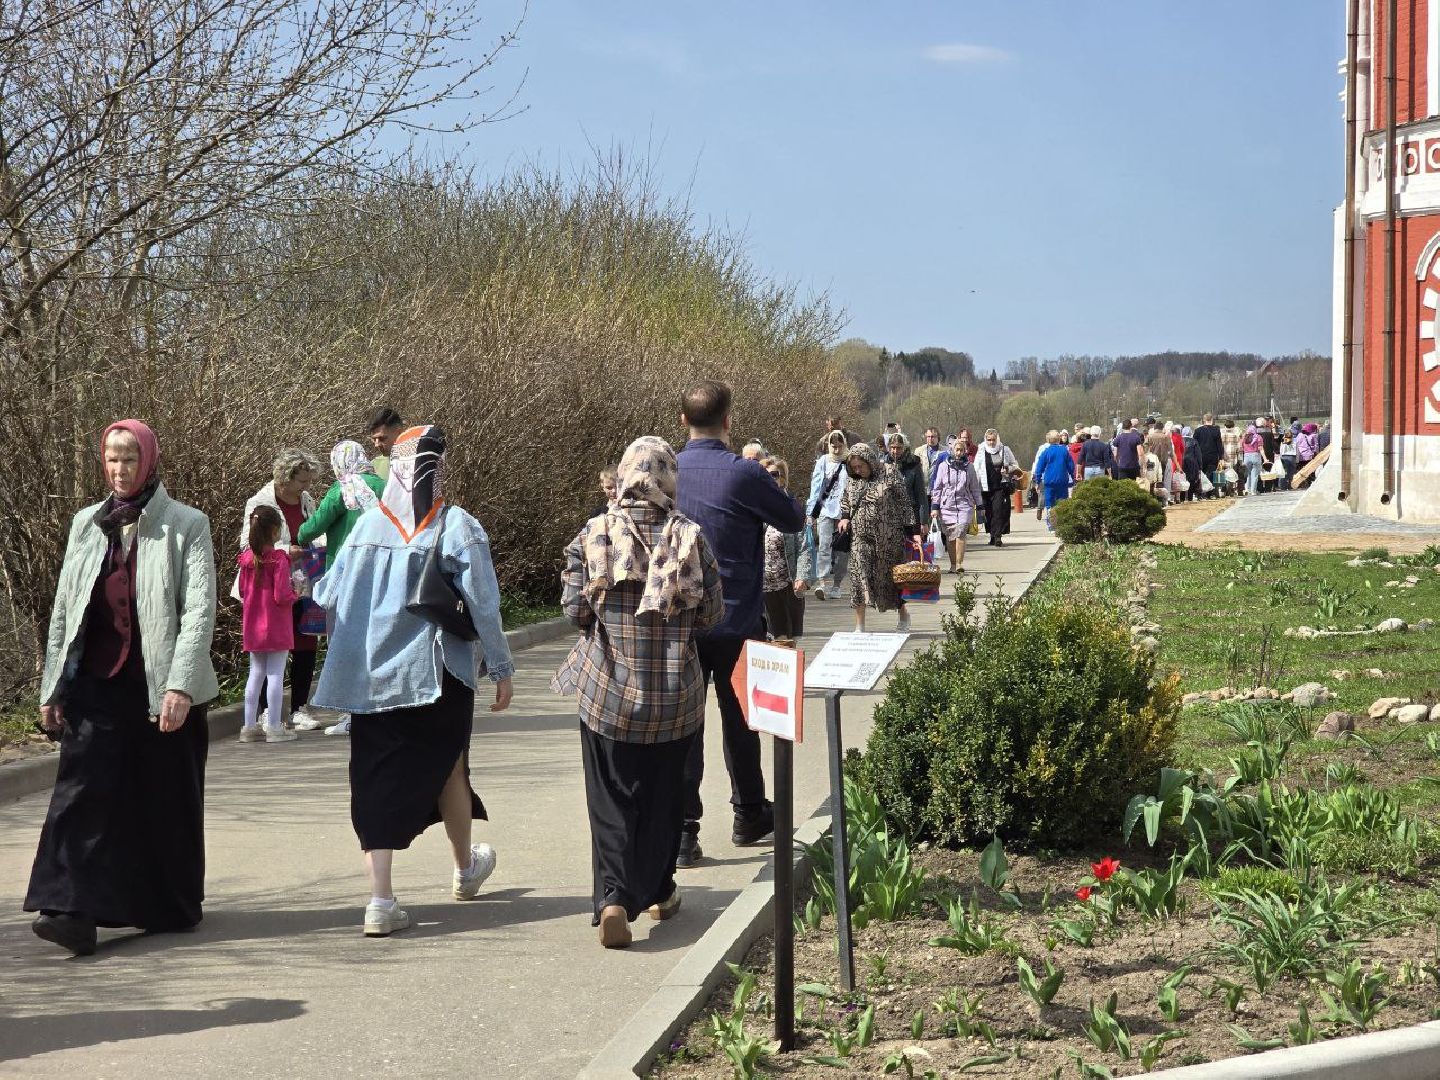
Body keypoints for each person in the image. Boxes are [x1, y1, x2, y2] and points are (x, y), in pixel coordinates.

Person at [312, 424, 515, 937]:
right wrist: (501, 668)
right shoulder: (455, 526)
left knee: (373, 781)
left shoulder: (363, 529)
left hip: (369, 679)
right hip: (436, 675)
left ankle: (380, 901)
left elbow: (327, 595)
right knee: (451, 768)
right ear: (436, 469)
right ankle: (465, 870)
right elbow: (485, 605)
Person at [26, 420, 218, 956]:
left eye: (129, 458)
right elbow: (65, 608)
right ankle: (68, 910)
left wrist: (180, 685)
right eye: (111, 458)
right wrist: (52, 687)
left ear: (150, 461)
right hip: (96, 682)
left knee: (164, 798)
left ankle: (168, 904)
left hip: (160, 685)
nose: (119, 469)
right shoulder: (86, 523)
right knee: (79, 795)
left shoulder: (186, 524)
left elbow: (199, 610)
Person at [552, 436, 723, 949]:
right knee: (664, 798)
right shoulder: (690, 536)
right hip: (675, 698)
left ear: (624, 475)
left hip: (608, 694)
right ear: (669, 479)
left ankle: (612, 898)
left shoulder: (594, 532)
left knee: (609, 799)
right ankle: (659, 890)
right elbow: (712, 615)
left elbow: (573, 611)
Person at [676, 381, 805, 867]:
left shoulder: (667, 469)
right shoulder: (744, 474)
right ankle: (749, 812)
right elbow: (792, 518)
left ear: (683, 420)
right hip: (736, 614)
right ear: (728, 421)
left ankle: (685, 833)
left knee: (684, 727)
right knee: (741, 720)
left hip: (680, 622)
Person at [238, 450, 322, 730]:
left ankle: (299, 707)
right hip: (269, 589)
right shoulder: (259, 502)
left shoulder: (307, 500)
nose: (306, 487)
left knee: (306, 639)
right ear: (284, 479)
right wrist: (286, 552)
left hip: (302, 579)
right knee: (270, 650)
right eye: (301, 481)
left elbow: (315, 528)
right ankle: (265, 712)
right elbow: (246, 545)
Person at [837, 443, 921, 633]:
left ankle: (903, 614)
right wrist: (844, 517)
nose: (858, 470)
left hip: (889, 539)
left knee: (892, 579)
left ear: (870, 461)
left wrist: (913, 532)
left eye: (861, 466)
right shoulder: (853, 479)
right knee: (858, 576)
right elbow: (845, 500)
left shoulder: (890, 472)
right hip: (860, 537)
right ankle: (859, 626)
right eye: (854, 467)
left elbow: (904, 503)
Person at [237, 505, 299, 744]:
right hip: (276, 625)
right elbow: (281, 596)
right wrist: (297, 593)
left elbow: (243, 591)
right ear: (275, 531)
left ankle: (249, 726)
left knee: (255, 673)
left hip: (253, 625)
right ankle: (273, 726)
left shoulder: (246, 560)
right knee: (275, 674)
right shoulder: (279, 559)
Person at [760, 458, 805, 647]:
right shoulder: (755, 507)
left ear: (783, 478)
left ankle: (794, 676)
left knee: (790, 639)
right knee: (772, 638)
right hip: (764, 585)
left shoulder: (792, 508)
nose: (770, 479)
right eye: (765, 475)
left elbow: (805, 546)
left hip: (789, 582)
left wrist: (802, 576)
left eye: (774, 475)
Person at [801, 430, 849, 599]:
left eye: (839, 446)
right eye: (833, 446)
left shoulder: (849, 462)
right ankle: (823, 583)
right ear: (829, 446)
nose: (836, 449)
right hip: (825, 509)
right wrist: (810, 512)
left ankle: (837, 584)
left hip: (844, 511)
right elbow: (816, 487)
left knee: (843, 550)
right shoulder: (822, 461)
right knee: (824, 545)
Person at [929, 437, 981, 572]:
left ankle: (959, 564)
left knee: (961, 532)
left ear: (965, 451)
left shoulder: (969, 467)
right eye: (957, 450)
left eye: (961, 450)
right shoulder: (943, 466)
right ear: (952, 450)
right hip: (947, 506)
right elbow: (937, 488)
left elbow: (975, 488)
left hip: (964, 505)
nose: (959, 453)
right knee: (951, 537)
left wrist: (980, 505)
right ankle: (952, 565)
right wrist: (935, 507)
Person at [975, 429, 1020, 547]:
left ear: (997, 439)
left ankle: (998, 536)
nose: (991, 442)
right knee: (988, 512)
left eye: (993, 440)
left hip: (1000, 486)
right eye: (989, 440)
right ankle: (991, 535)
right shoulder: (981, 450)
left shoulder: (1005, 449)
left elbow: (1015, 465)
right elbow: (976, 469)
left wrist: (1008, 469)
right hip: (985, 487)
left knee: (998, 511)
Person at [1033, 431, 1075, 531]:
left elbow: (1039, 468)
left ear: (1048, 440)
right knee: (1062, 501)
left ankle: (1052, 525)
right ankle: (1061, 524)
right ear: (1059, 439)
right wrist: (1073, 477)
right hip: (1062, 480)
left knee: (1050, 503)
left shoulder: (1046, 452)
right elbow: (1071, 466)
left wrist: (1037, 481)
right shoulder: (1064, 451)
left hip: (1049, 481)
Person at [886, 431, 928, 526]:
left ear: (904, 447)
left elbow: (920, 494)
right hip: (889, 516)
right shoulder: (883, 464)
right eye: (893, 447)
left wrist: (923, 521)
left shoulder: (913, 464)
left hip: (910, 516)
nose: (895, 451)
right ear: (889, 447)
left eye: (899, 448)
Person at [366, 407, 404, 480]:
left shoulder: (419, 461)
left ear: (399, 433)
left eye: (382, 438)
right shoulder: (374, 466)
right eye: (374, 439)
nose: (376, 444)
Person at [1144, 422, 1173, 505]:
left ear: (1155, 428)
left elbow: (1145, 448)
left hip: (1151, 461)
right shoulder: (1166, 437)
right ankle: (1161, 501)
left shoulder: (1150, 437)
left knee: (1151, 480)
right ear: (1162, 428)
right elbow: (1170, 451)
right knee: (1161, 480)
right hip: (1163, 461)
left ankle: (1152, 499)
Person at [1194, 414, 1224, 492]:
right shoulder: (1216, 430)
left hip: (1201, 456)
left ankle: (1201, 492)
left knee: (1201, 474)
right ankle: (1211, 493)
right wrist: (1221, 457)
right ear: (1212, 420)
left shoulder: (1198, 431)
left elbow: (1194, 444)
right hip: (1213, 455)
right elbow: (1219, 445)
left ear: (1204, 420)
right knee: (1211, 474)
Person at [1241, 423, 1266, 496]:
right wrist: (1265, 458)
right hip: (1255, 455)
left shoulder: (1244, 438)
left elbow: (1241, 448)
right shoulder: (1258, 437)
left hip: (1246, 456)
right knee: (1254, 475)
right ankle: (1253, 491)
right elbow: (1261, 449)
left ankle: (1247, 489)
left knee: (1247, 474)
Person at [1181, 426, 1203, 501]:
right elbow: (1198, 454)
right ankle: (1190, 497)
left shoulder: (1180, 440)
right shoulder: (1194, 441)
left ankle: (1182, 498)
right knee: (1191, 479)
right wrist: (1200, 466)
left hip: (1181, 462)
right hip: (1192, 462)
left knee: (1182, 479)